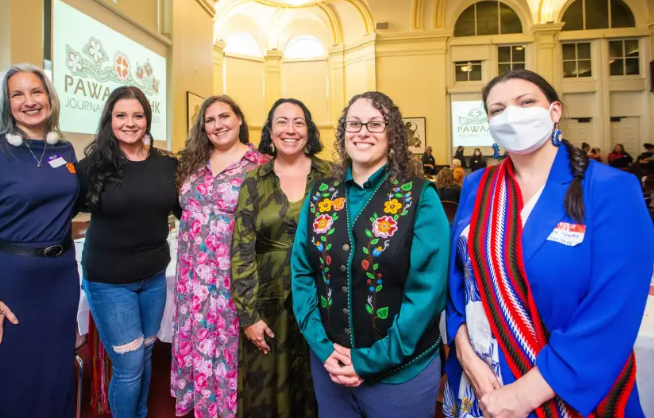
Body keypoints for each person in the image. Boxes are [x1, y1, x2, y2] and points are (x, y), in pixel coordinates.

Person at [444, 69, 653, 418]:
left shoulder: (609, 188)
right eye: (497, 110)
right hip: (479, 381)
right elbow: (457, 280)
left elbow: (615, 308)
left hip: (560, 389)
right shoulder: (476, 184)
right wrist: (464, 350)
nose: (511, 115)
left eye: (526, 102)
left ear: (554, 111)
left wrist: (524, 395)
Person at [291, 91, 450, 418]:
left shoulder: (421, 196)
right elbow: (302, 273)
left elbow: (427, 294)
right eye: (354, 124)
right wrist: (323, 348)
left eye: (375, 124)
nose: (363, 132)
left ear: (393, 135)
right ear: (343, 133)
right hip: (330, 367)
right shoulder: (320, 193)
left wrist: (370, 361)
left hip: (400, 376)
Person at [0, 64, 80, 418]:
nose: (30, 101)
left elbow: (67, 206)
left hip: (60, 280)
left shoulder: (64, 149)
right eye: (17, 94)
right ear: (5, 103)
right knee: (5, 377)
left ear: (49, 98)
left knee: (54, 376)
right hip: (9, 283)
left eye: (37, 92)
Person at [76, 86, 180, 418]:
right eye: (121, 115)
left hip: (153, 278)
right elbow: (60, 210)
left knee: (146, 354)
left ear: (147, 119)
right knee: (129, 364)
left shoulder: (167, 165)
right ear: (109, 119)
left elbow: (186, 211)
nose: (130, 123)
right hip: (109, 281)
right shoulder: (92, 166)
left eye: (138, 115)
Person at [172, 96, 269, 418]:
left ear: (239, 119)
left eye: (224, 116)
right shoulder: (192, 163)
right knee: (199, 340)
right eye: (210, 120)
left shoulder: (261, 165)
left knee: (230, 346)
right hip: (192, 279)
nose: (218, 125)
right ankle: (204, 407)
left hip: (233, 277)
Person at [231, 98, 329, 418]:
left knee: (319, 389)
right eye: (282, 122)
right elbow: (241, 250)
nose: (290, 129)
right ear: (270, 132)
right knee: (267, 393)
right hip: (266, 306)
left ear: (309, 130)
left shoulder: (331, 176)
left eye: (299, 122)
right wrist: (248, 316)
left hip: (322, 305)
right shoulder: (254, 180)